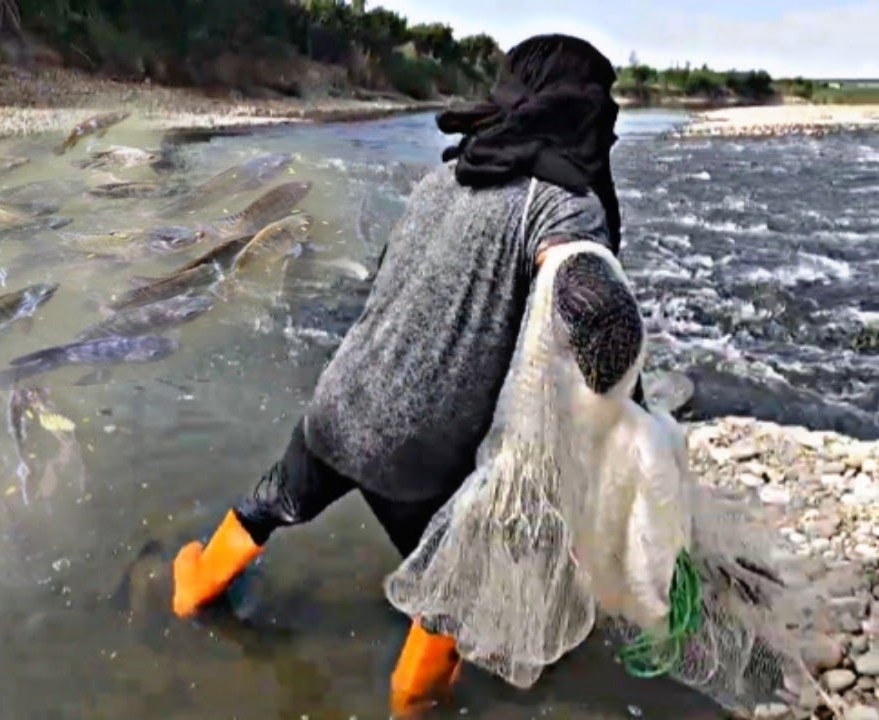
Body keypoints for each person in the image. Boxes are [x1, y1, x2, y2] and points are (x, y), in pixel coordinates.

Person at [171, 33, 644, 716]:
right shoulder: (562, 201)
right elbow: (581, 284)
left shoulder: (446, 176)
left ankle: (191, 592)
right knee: (458, 588)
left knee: (271, 504)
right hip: (424, 452)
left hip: (336, 405)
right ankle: (413, 698)